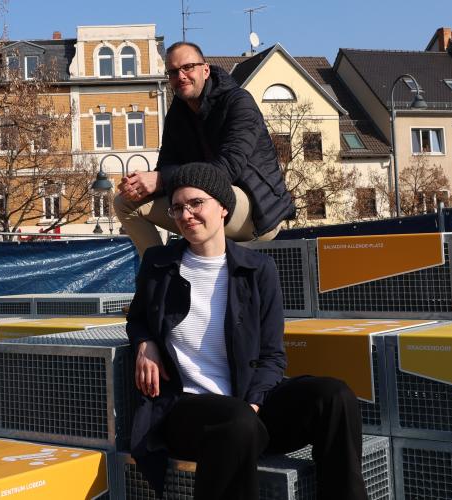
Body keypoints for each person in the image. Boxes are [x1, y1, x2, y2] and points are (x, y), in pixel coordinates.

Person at [126, 163, 366, 500]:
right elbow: (137, 318)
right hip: (187, 410)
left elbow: (272, 355)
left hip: (249, 405)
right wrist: (144, 342)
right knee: (235, 421)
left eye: (196, 203)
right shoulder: (158, 264)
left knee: (335, 396)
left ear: (223, 208)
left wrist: (254, 403)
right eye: (177, 208)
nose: (186, 214)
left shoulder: (258, 269)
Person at [115, 41, 295, 258]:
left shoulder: (239, 102)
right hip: (203, 202)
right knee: (125, 202)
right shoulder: (177, 114)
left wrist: (161, 179)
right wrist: (142, 185)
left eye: (188, 67)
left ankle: (199, 268)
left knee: (196, 200)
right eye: (173, 72)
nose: (181, 76)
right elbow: (167, 164)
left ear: (206, 70)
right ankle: (158, 270)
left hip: (256, 210)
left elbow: (227, 168)